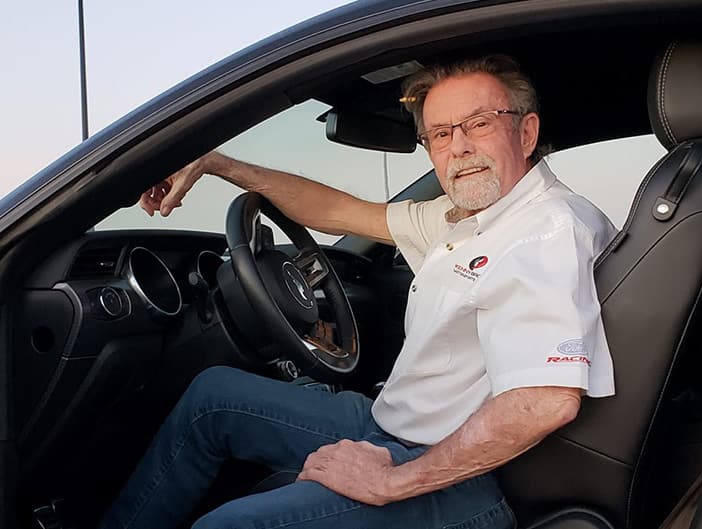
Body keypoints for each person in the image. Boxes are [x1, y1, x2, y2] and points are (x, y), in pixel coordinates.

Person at [100, 55, 617, 529]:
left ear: (526, 133)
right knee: (212, 398)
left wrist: (392, 481)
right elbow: (342, 213)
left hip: (459, 476)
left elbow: (544, 401)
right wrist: (221, 165)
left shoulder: (547, 232)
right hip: (386, 424)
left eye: (479, 125)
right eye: (440, 134)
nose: (458, 147)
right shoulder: (470, 218)